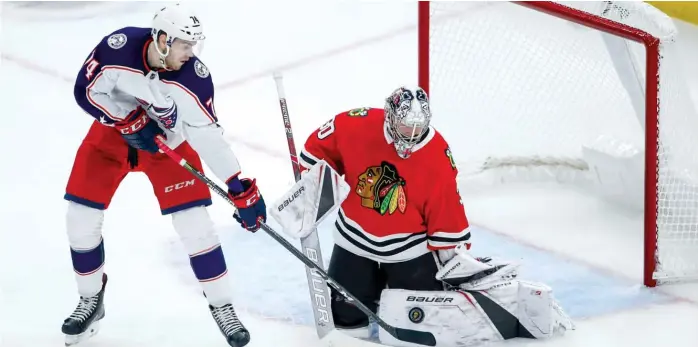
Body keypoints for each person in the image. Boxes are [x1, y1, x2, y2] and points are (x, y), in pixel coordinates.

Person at [61, 4, 266, 347]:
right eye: (185, 44)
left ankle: (222, 305)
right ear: (162, 39)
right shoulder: (119, 47)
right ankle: (90, 299)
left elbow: (207, 134)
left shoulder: (194, 78)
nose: (191, 53)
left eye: (194, 45)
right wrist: (126, 120)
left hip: (166, 146)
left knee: (195, 225)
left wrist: (235, 184)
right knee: (79, 219)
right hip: (110, 138)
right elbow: (86, 90)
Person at [297, 86, 472, 337]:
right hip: (353, 240)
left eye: (417, 129)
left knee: (414, 326)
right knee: (348, 325)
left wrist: (454, 260)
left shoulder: (437, 154)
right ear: (390, 116)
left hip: (409, 251)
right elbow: (316, 151)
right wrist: (311, 185)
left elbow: (446, 209)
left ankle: (390, 286)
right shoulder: (356, 124)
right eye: (405, 128)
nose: (411, 136)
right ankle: (369, 290)